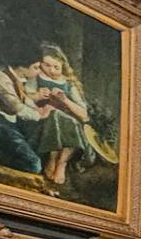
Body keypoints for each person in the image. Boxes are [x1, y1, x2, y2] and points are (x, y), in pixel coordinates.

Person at [18, 44, 103, 188]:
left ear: (62, 67)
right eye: (47, 65)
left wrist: (65, 100)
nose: (51, 70)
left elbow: (84, 115)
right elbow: (23, 98)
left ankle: (62, 162)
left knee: (69, 121)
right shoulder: (35, 77)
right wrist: (37, 96)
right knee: (55, 115)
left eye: (56, 67)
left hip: (68, 125)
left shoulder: (68, 84)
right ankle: (52, 159)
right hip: (40, 123)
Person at [0, 65, 43, 180]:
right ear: (22, 66)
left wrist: (37, 108)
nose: (39, 72)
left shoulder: (16, 77)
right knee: (34, 164)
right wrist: (40, 115)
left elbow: (23, 98)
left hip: (6, 120)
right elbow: (15, 107)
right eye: (36, 67)